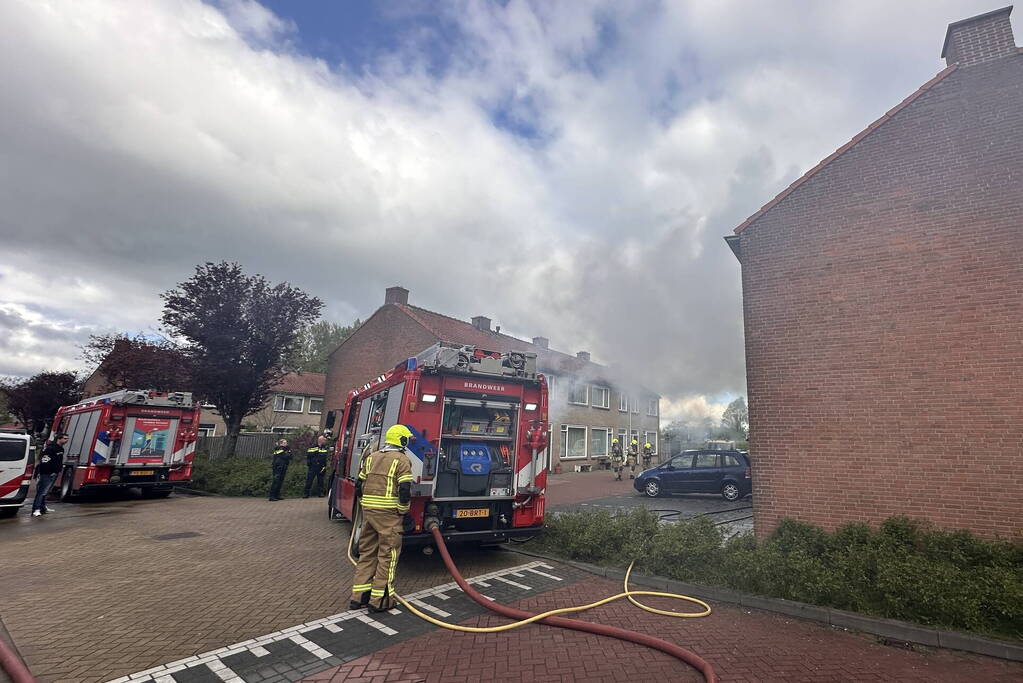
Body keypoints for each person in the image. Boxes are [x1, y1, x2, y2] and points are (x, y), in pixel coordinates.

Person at [350, 424, 414, 613]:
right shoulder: (402, 460)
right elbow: (404, 491)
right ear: (402, 440)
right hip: (388, 515)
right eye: (406, 439)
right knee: (388, 555)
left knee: (367, 552)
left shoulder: (372, 457)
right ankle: (380, 599)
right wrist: (403, 511)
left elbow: (359, 485)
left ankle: (359, 596)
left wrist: (366, 506)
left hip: (369, 512)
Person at [33, 434, 68, 516]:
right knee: (41, 491)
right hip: (46, 473)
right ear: (59, 439)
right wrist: (47, 472)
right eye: (65, 438)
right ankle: (36, 509)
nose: (67, 440)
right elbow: (45, 461)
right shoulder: (50, 448)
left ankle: (43, 507)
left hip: (54, 473)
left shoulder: (61, 449)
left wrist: (57, 471)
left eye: (67, 439)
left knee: (46, 492)